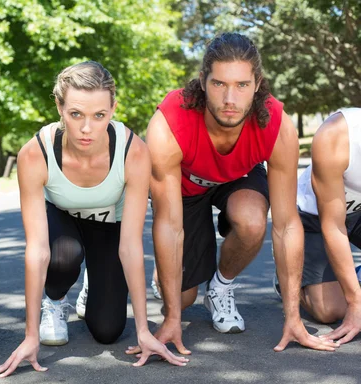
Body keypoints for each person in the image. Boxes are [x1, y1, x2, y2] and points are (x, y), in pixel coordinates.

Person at [127, 33, 338, 359]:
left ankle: (221, 287)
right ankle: (170, 283)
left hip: (238, 176)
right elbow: (170, 225)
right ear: (202, 81)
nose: (229, 98)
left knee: (253, 221)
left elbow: (286, 225)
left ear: (257, 84)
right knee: (181, 300)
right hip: (187, 186)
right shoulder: (169, 122)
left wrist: (294, 317)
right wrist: (172, 319)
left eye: (241, 85)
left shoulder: (277, 124)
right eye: (219, 84)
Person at [0, 61, 189, 378]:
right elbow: (37, 250)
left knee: (109, 330)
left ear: (113, 108)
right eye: (76, 114)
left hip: (108, 226)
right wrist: (30, 335)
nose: (87, 128)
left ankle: (93, 283)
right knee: (64, 254)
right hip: (61, 224)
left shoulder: (133, 151)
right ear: (59, 107)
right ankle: (55, 301)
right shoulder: (36, 153)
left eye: (99, 115)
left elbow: (130, 246)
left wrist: (143, 329)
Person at [295, 108, 361, 343]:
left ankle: (356, 277)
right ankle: (290, 274)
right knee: (329, 310)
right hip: (316, 217)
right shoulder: (337, 135)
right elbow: (333, 226)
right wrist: (355, 302)